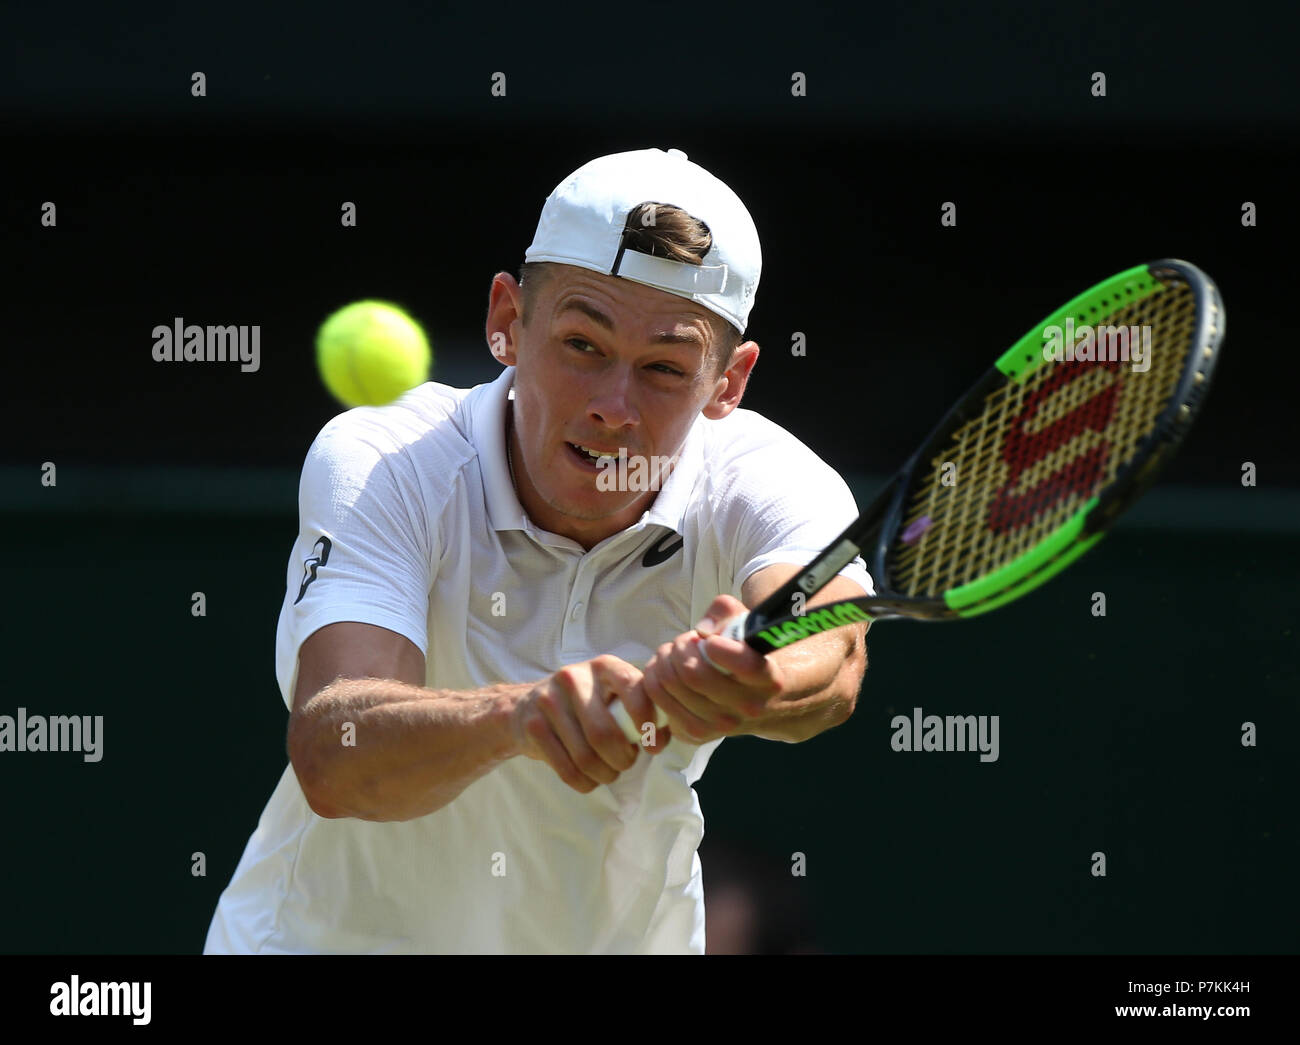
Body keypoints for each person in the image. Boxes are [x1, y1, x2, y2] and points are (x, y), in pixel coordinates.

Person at [203, 147, 872, 954]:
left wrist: (754, 673)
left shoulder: (772, 483)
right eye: (582, 345)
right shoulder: (385, 459)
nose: (613, 408)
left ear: (728, 382)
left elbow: (831, 652)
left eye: (664, 368)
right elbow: (333, 753)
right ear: (508, 321)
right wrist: (521, 714)